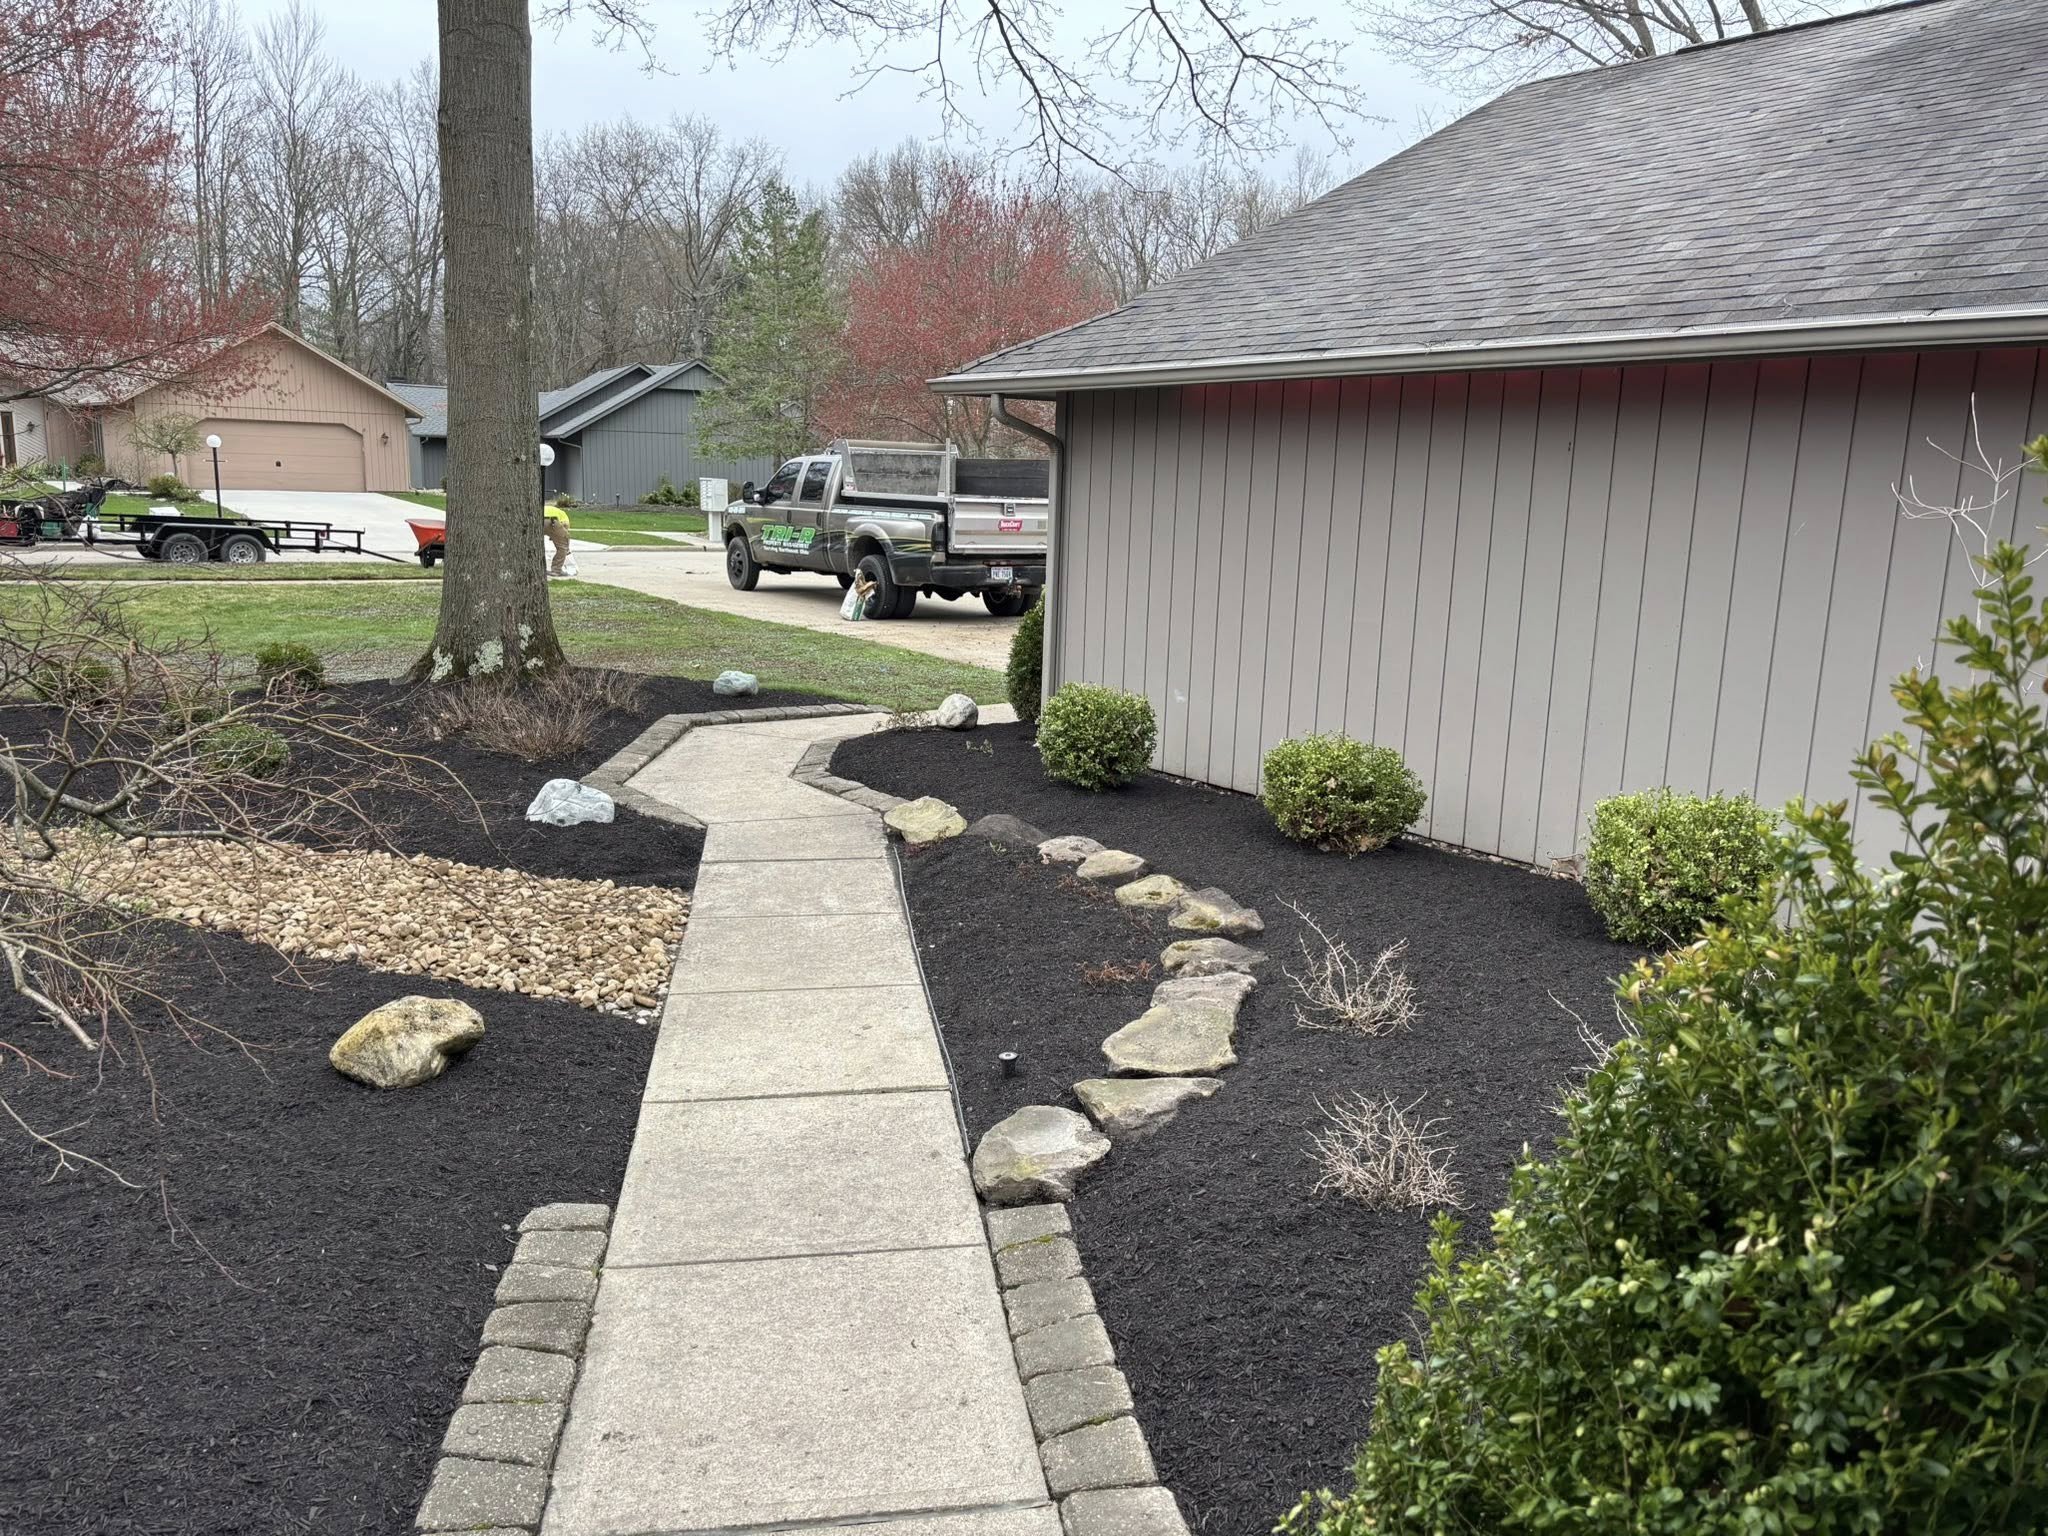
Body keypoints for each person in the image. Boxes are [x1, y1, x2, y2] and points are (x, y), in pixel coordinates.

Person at [543, 497, 572, 577]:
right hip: (552, 521)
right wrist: (567, 546)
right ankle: (556, 570)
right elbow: (565, 528)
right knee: (563, 547)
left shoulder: (549, 509)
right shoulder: (563, 514)